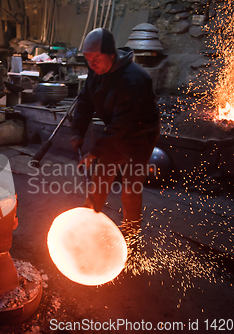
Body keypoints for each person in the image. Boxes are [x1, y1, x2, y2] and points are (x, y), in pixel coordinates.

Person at [71, 28, 161, 240]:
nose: (91, 64)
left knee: (130, 188)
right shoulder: (97, 71)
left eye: (96, 59)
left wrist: (93, 152)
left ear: (111, 55)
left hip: (140, 135)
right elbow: (84, 102)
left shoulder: (133, 79)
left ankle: (131, 234)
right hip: (115, 129)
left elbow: (121, 123)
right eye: (88, 59)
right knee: (100, 179)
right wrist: (78, 131)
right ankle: (88, 222)